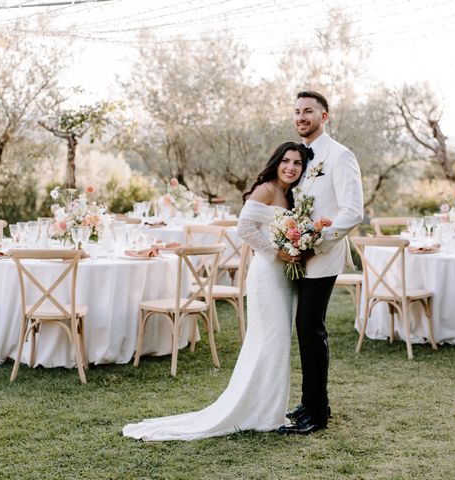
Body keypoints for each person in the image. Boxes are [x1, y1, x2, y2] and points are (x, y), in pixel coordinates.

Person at [122, 142, 308, 441]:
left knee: (277, 342)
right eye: (286, 161)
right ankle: (261, 412)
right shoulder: (266, 189)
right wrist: (279, 253)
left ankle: (269, 408)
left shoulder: (290, 195)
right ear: (276, 162)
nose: (291, 167)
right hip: (267, 274)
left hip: (284, 277)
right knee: (269, 339)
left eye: (297, 163)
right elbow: (245, 228)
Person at [278, 91, 364, 435]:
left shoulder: (340, 156)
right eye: (297, 111)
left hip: (323, 256)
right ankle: (311, 401)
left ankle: (317, 413)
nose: (301, 116)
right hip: (298, 255)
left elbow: (352, 211)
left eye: (308, 111)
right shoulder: (299, 157)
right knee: (305, 329)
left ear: (323, 116)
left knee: (311, 329)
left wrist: (315, 240)